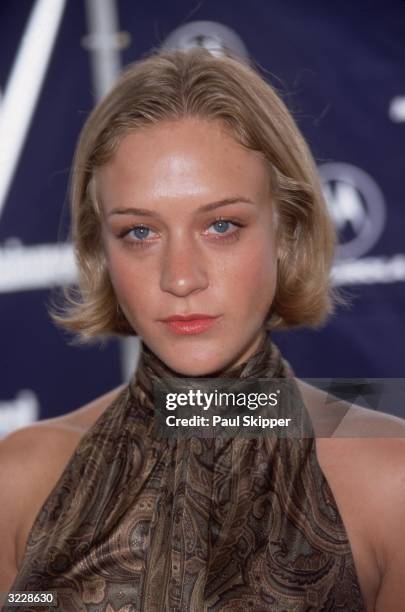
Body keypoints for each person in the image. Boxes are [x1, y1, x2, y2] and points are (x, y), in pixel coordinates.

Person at [1, 47, 405, 612]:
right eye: (140, 232)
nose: (181, 278)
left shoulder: (391, 479)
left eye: (221, 225)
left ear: (285, 231)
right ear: (101, 251)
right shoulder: (19, 479)